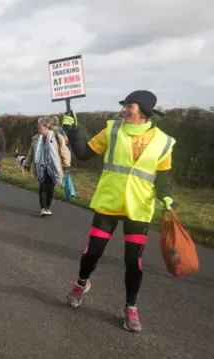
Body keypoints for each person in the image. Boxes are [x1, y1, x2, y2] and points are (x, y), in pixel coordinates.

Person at [61, 90, 176, 333]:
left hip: (139, 207)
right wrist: (73, 130)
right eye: (124, 106)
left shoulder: (163, 141)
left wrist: (165, 195)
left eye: (128, 106)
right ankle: (81, 283)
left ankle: (130, 307)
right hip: (109, 202)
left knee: (133, 261)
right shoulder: (112, 130)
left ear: (142, 111)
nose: (123, 109)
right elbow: (83, 153)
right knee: (92, 253)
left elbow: (163, 175)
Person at [22, 116, 71, 216]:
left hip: (53, 167)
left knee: (50, 188)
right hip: (40, 167)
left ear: (46, 126)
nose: (38, 127)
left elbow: (64, 152)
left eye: (39, 125)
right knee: (43, 187)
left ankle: (47, 206)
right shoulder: (35, 138)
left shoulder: (57, 137)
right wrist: (27, 163)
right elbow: (31, 153)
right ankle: (43, 208)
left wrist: (66, 165)